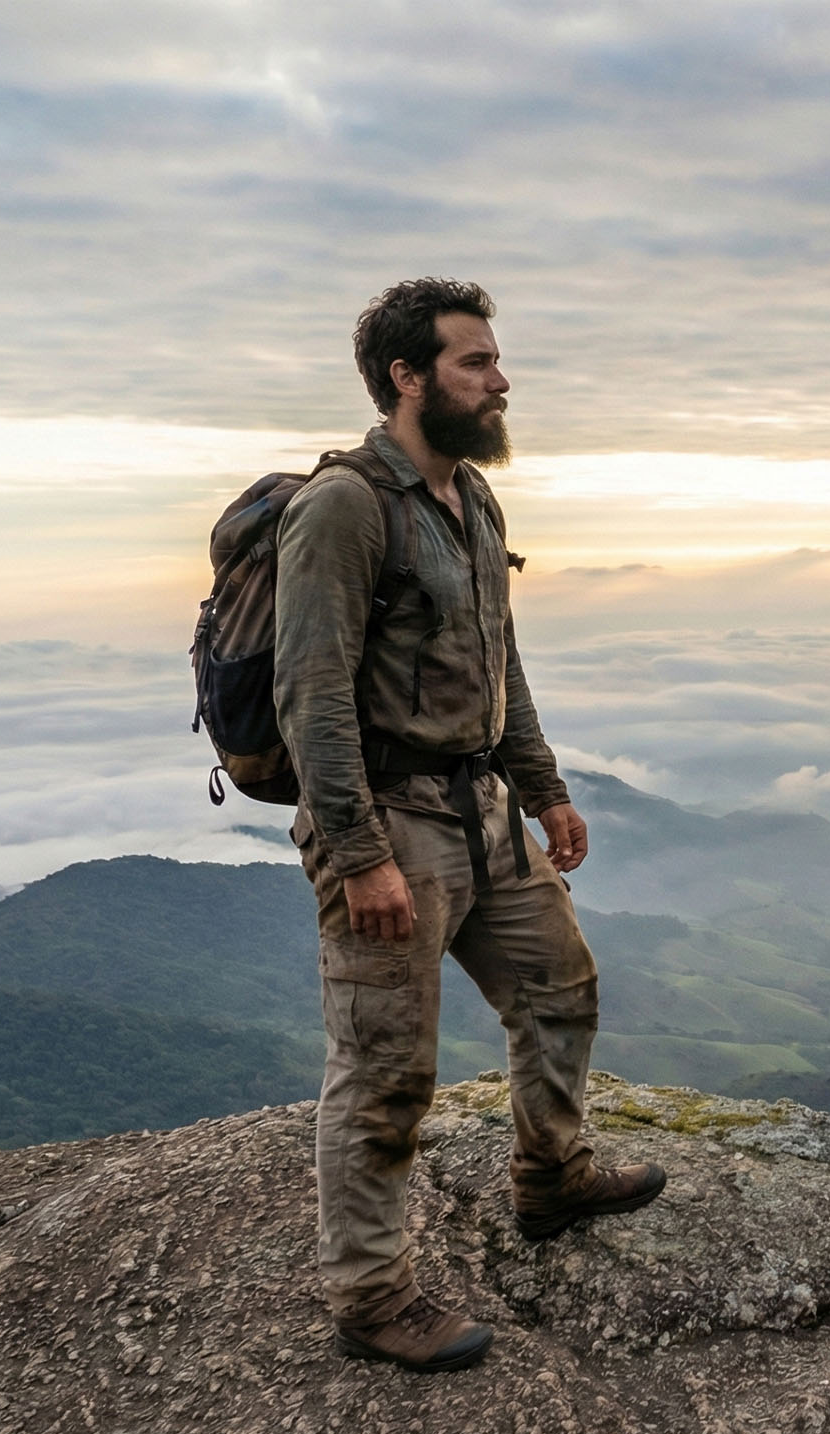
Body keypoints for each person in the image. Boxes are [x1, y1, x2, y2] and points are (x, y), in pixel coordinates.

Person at [274, 277, 667, 1373]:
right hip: (390, 822)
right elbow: (311, 692)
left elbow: (500, 659)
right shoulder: (348, 506)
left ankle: (552, 1177)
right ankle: (370, 1298)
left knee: (561, 988)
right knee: (385, 1070)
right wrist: (360, 855)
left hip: (483, 808)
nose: (501, 382)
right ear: (408, 377)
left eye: (495, 360)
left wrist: (543, 788)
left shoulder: (473, 499)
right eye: (476, 362)